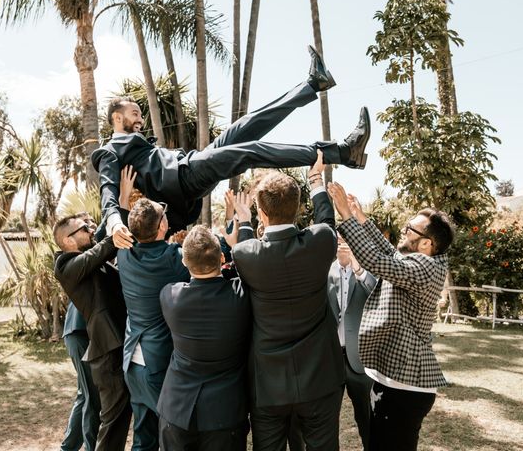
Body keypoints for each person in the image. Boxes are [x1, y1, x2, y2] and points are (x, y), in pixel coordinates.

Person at [92, 45, 371, 246]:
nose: (140, 118)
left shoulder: (137, 143)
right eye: (134, 113)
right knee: (249, 153)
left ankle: (312, 84)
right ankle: (343, 152)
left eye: (141, 114)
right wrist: (115, 222)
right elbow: (108, 192)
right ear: (117, 118)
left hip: (190, 165)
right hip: (183, 178)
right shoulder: (109, 152)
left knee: (245, 127)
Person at [327, 182, 455, 451]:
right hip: (394, 384)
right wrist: (362, 219)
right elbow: (390, 253)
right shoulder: (420, 261)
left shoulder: (423, 267)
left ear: (426, 244)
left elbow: (377, 260)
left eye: (410, 229)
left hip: (404, 390)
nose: (403, 230)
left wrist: (347, 218)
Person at [232, 153, 345, 451]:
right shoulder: (321, 242)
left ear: (261, 212)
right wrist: (316, 181)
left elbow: (245, 244)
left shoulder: (245, 255)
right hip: (320, 376)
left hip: (268, 383)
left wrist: (244, 221)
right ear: (297, 208)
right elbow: (326, 219)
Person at [157, 195, 254, 451]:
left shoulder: (169, 296)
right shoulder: (242, 296)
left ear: (184, 261)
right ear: (222, 258)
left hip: (176, 409)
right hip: (224, 413)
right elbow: (251, 268)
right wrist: (242, 232)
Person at [116, 198, 191, 451]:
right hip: (156, 363)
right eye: (164, 215)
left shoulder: (124, 255)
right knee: (174, 436)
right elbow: (206, 258)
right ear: (161, 227)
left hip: (131, 362)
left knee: (143, 438)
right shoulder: (175, 259)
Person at [53, 216, 132, 451]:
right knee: (112, 420)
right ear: (68, 241)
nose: (90, 230)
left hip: (117, 346)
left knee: (117, 417)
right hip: (107, 351)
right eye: (84, 228)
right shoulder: (65, 267)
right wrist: (113, 237)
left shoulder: (92, 263)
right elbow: (100, 250)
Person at [327, 238, 377, 451]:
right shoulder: (324, 272)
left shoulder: (364, 272)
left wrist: (357, 265)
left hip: (360, 360)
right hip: (331, 359)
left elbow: (376, 291)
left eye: (346, 241)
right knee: (327, 421)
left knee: (367, 417)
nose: (342, 245)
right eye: (338, 241)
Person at [60, 301, 100, 451]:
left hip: (76, 333)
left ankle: (68, 447)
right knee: (92, 398)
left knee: (84, 395)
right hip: (80, 333)